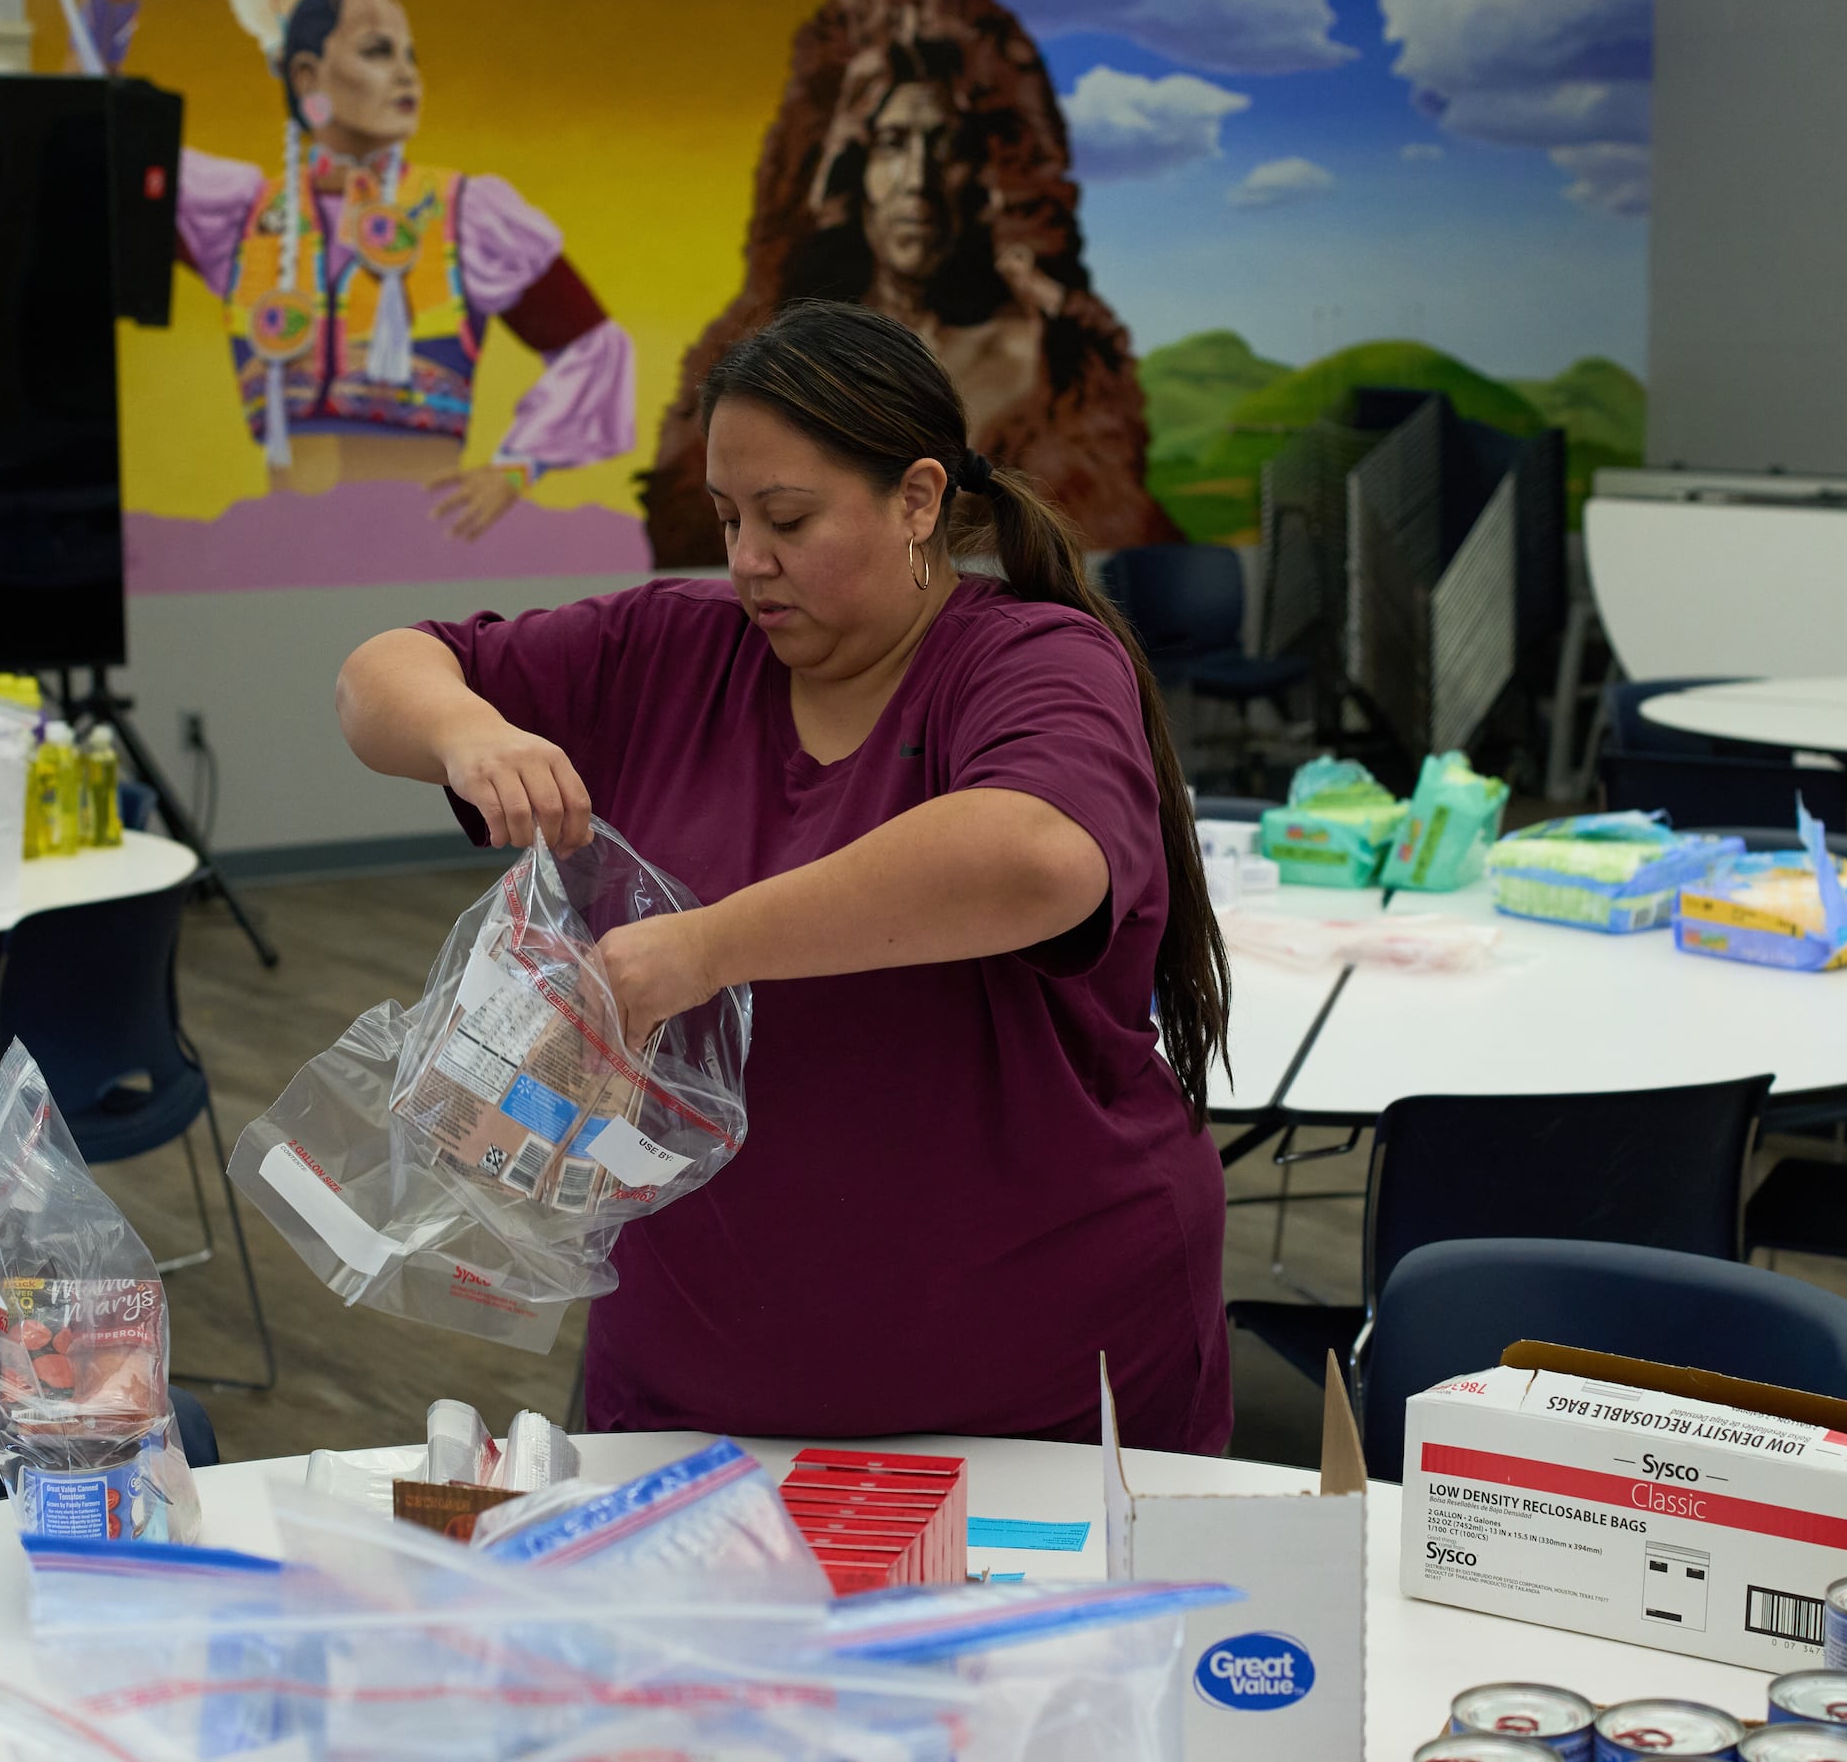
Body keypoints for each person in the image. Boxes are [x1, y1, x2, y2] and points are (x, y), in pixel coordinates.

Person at [335, 299, 1233, 1451]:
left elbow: (1034, 856)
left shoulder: (1033, 660)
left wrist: (705, 951)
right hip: (702, 1376)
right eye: (726, 519)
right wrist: (468, 730)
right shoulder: (670, 649)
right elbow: (382, 674)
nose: (749, 560)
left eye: (789, 518)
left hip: (1033, 1378)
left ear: (917, 500)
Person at [84, 0, 636, 539]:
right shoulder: (242, 216)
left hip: (424, 547)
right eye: (378, 51)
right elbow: (100, 138)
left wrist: (515, 469)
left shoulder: (464, 213)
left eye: (410, 56)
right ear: (307, 79)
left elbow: (596, 348)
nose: (407, 74)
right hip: (286, 547)